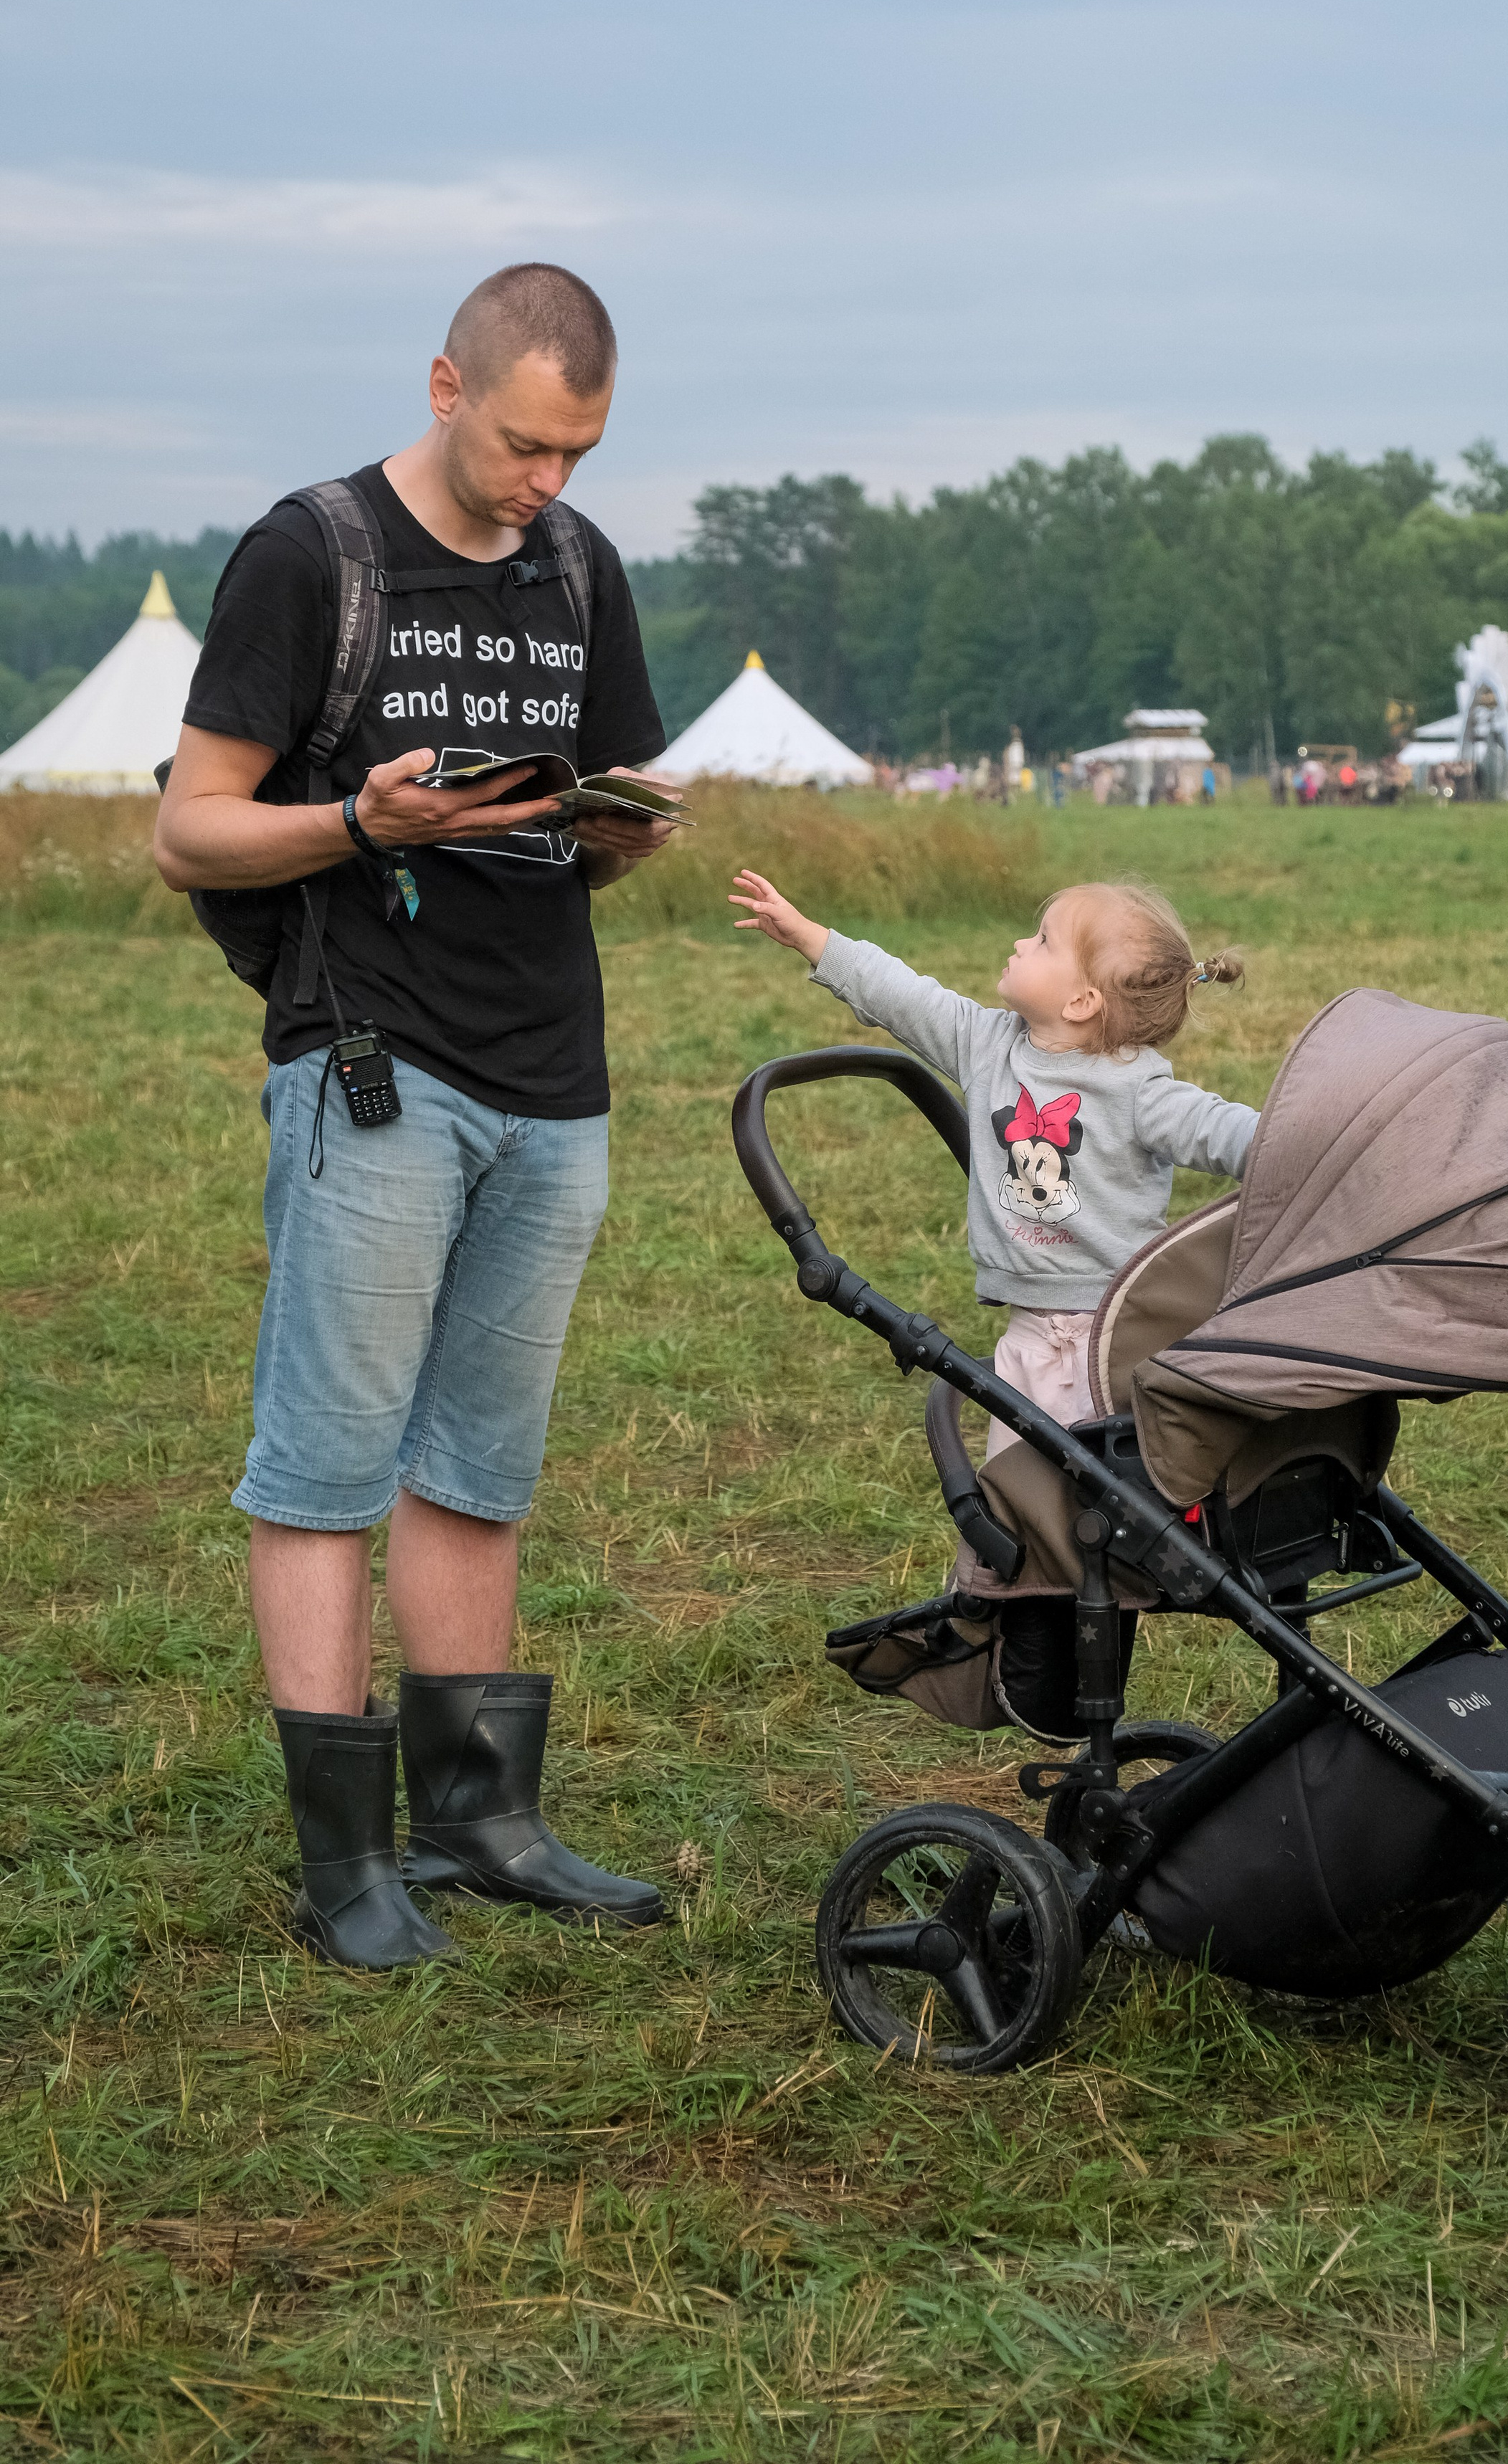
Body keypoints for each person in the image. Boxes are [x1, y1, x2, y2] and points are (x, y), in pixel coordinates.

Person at [153, 265, 674, 1971]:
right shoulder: (311, 553)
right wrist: (363, 825)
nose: (548, 484)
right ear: (445, 384)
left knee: (481, 1455)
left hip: (553, 1069)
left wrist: (621, 827)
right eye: (525, 443)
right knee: (325, 1463)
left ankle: (480, 1817)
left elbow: (598, 806)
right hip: (369, 1055)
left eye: (578, 454)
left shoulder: (581, 569)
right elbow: (193, 830)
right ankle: (344, 1865)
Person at [729, 870, 1258, 1735]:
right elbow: (902, 996)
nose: (1020, 944)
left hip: (1109, 1347)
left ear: (1084, 1000)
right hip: (1027, 1340)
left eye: (1043, 940)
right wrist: (809, 936)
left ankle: (1048, 1674)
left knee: (1078, 1524)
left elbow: (1234, 1134)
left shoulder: (1142, 1093)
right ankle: (1020, 1653)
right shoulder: (989, 1046)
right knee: (1023, 1510)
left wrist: (1316, 1145)